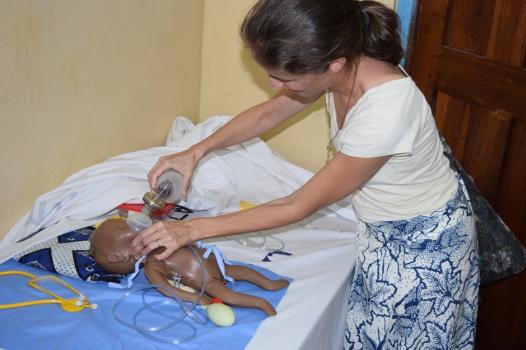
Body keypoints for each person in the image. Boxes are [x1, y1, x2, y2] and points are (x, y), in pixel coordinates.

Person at [133, 0, 479, 348]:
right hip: (380, 231)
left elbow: (296, 205)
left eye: (284, 79)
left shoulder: (386, 108)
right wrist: (194, 151)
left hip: (424, 247)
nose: (274, 86)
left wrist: (188, 229)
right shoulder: (341, 70)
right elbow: (267, 115)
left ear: (333, 65)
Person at [90, 217, 289, 316]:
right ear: (118, 256)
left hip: (218, 265)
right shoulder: (153, 265)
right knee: (228, 296)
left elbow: (184, 237)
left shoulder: (159, 240)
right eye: (123, 228)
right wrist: (199, 297)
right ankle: (261, 304)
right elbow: (168, 289)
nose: (134, 225)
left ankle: (269, 284)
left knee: (244, 272)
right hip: (206, 281)